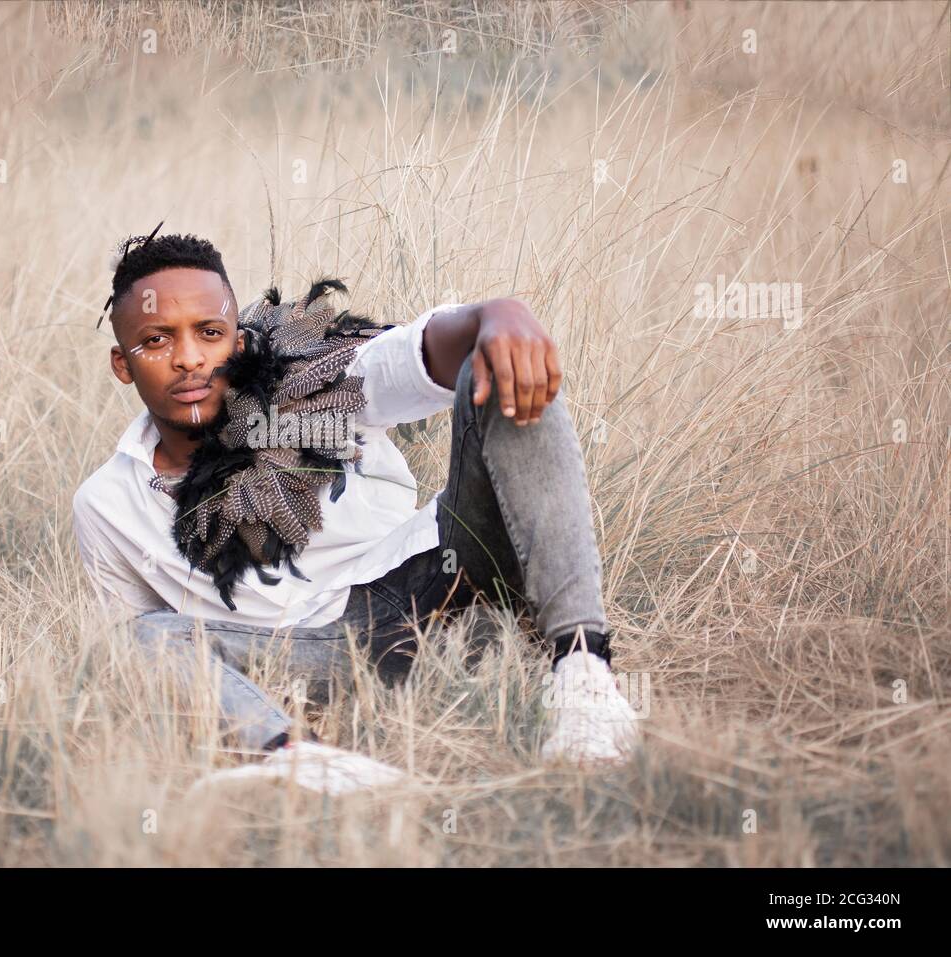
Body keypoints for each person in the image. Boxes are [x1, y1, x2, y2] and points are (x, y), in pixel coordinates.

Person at [73, 228, 639, 794]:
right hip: (307, 655)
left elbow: (421, 354)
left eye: (210, 333)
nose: (189, 358)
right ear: (123, 364)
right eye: (156, 341)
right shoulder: (107, 504)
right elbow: (142, 662)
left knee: (502, 368)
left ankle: (584, 676)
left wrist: (495, 316)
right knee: (135, 637)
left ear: (239, 344)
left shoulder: (310, 378)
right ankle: (301, 761)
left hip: (439, 580)